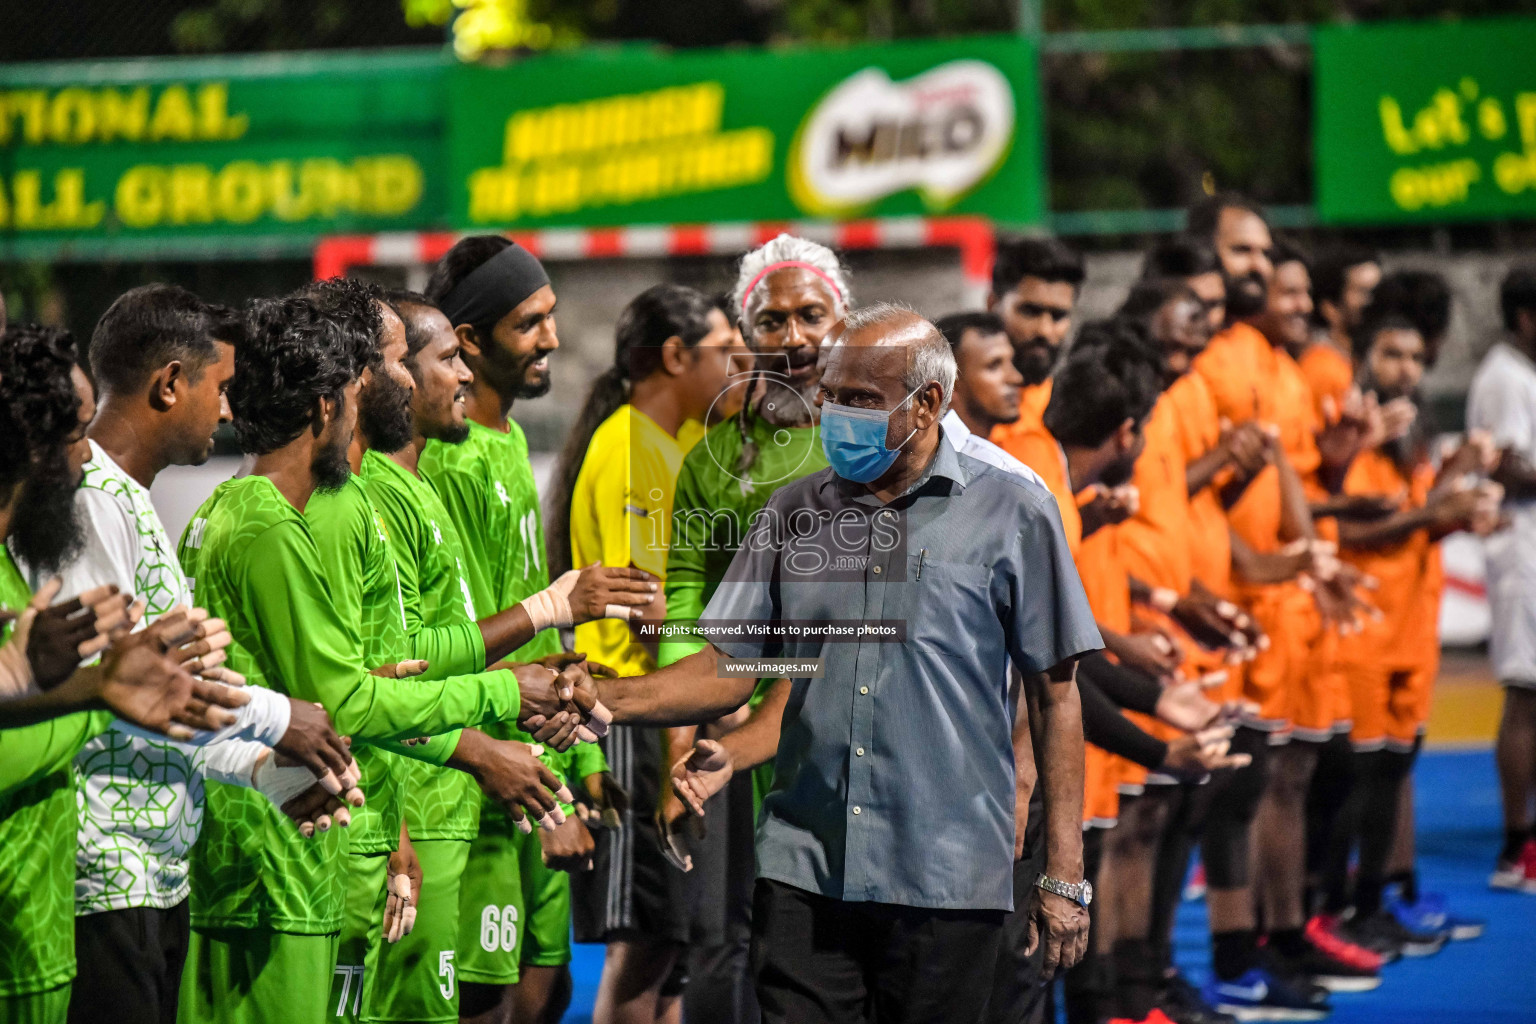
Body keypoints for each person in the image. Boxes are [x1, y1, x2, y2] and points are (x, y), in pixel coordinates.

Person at [595, 302, 1099, 1024]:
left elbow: (1057, 697)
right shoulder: (797, 511)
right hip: (807, 870)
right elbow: (728, 666)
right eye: (830, 395)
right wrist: (606, 700)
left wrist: (1064, 875)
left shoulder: (1012, 510)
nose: (833, 414)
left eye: (860, 400)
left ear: (927, 405)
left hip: (948, 878)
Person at [175, 295, 581, 1024]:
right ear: (334, 401)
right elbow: (350, 699)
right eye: (386, 365)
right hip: (276, 857)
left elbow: (369, 671)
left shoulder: (245, 511)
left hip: (313, 843)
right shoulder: (283, 522)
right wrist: (499, 697)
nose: (382, 385)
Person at [13, 286, 361, 1024]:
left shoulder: (131, 501)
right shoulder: (85, 500)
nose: (231, 411)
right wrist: (276, 719)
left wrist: (265, 773)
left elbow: (160, 702)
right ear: (171, 382)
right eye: (224, 388)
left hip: (156, 873)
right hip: (101, 874)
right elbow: (119, 689)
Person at [417, 238, 656, 1024]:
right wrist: (537, 794)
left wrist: (583, 752)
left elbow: (532, 617)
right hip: (481, 781)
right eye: (530, 324)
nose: (553, 339)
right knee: (494, 1002)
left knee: (546, 992)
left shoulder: (512, 441)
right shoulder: (444, 463)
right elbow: (457, 631)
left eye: (550, 317)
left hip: (536, 759)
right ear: (471, 342)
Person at [0, 322, 248, 1024]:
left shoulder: (114, 500)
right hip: (83, 888)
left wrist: (79, 685)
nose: (88, 455)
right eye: (76, 435)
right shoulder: (97, 503)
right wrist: (93, 692)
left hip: (47, 920)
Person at [659, 234, 849, 1024]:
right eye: (773, 321)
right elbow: (683, 590)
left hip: (857, 729)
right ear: (746, 332)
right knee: (750, 939)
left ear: (845, 319)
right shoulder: (712, 460)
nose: (795, 336)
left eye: (812, 315)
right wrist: (683, 719)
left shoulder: (878, 440)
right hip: (747, 740)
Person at [544, 283, 738, 1024]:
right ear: (676, 355)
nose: (734, 366)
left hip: (676, 711)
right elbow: (644, 609)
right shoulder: (628, 447)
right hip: (634, 715)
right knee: (643, 946)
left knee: (675, 952)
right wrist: (688, 721)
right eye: (723, 351)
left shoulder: (678, 444)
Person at [1322, 304, 1497, 958]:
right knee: (1355, 785)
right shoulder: (1353, 434)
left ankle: (1375, 905)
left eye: (1417, 358)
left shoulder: (1410, 434)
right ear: (1364, 356)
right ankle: (1336, 912)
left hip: (1410, 631)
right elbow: (1346, 529)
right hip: (1362, 630)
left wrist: (1459, 505)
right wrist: (1436, 512)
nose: (1406, 370)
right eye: (1392, 354)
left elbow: (1417, 516)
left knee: (1394, 774)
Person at [1469, 265, 1536, 893]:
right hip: (1520, 553)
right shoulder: (1504, 377)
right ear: (1525, 316)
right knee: (1524, 694)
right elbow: (1508, 467)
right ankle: (1518, 846)